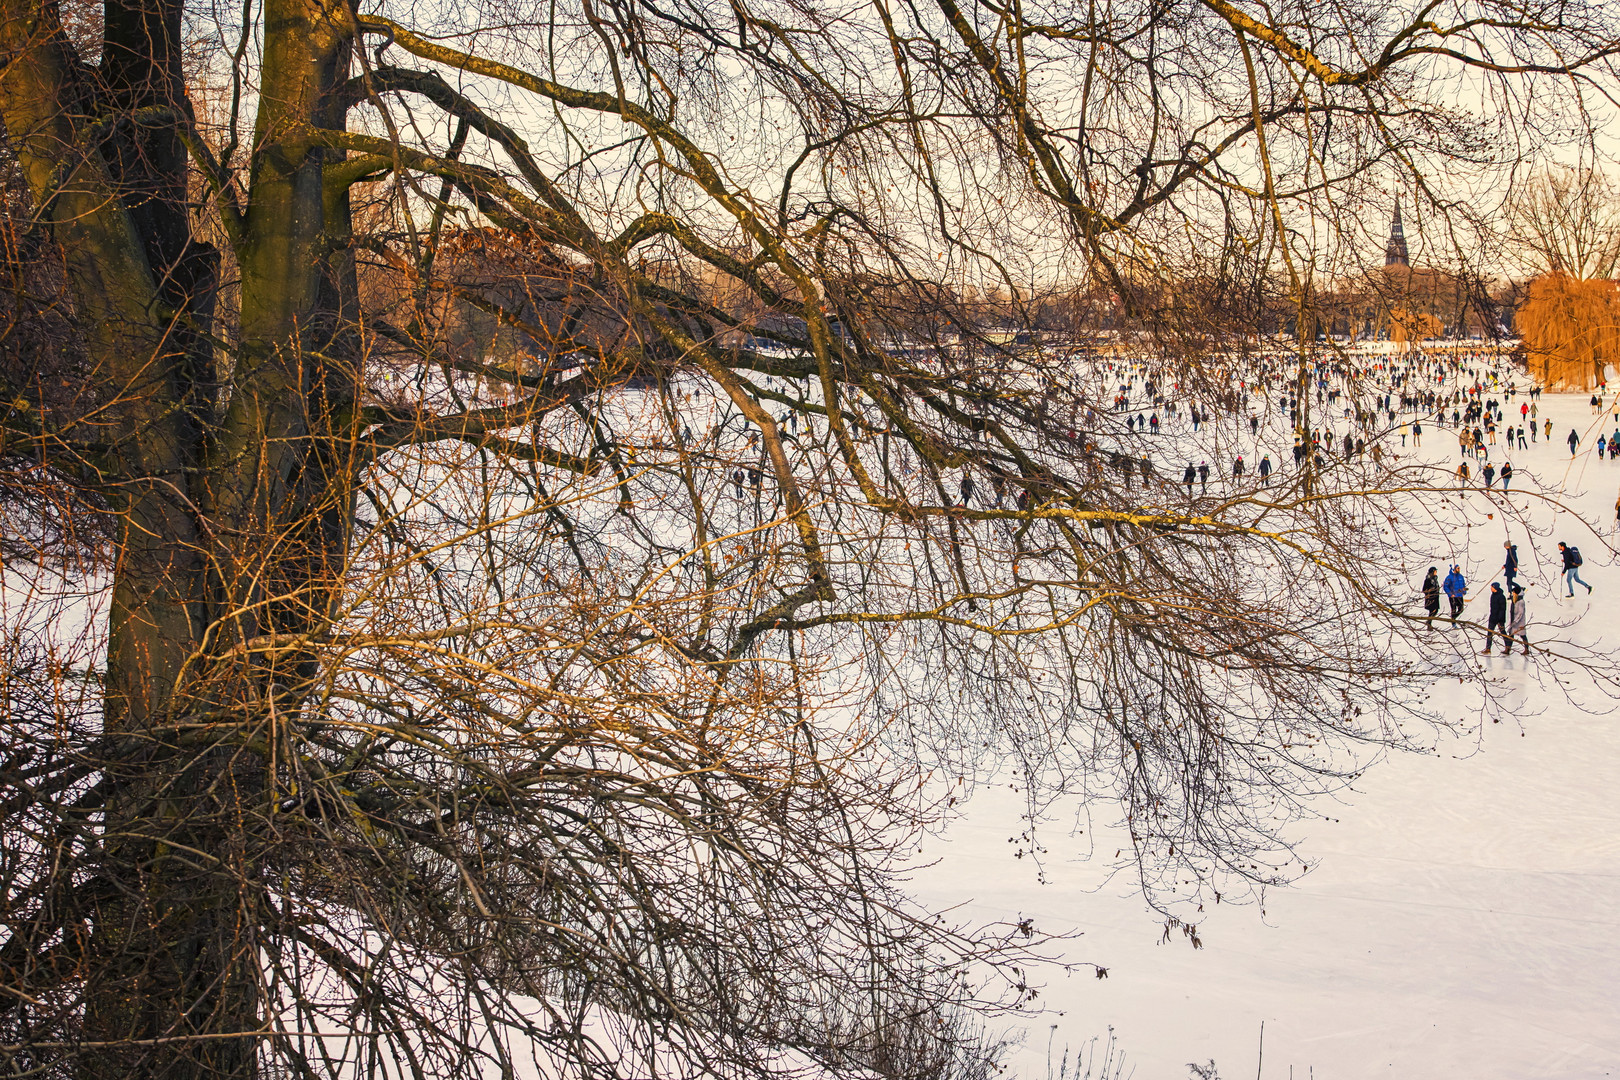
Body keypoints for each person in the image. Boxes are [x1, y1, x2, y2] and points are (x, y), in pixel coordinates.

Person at [1482, 582, 1508, 654]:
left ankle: (1508, 647)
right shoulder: (1492, 595)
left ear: (1495, 588)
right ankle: (1488, 648)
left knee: (1503, 633)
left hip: (1500, 619)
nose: (1491, 589)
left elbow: (1502, 609)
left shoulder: (1501, 597)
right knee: (1489, 633)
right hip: (1493, 617)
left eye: (1492, 587)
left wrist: (1499, 620)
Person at [1506, 584, 1529, 656]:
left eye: (1513, 593)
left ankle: (1526, 649)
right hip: (1514, 621)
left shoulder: (1521, 601)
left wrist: (1515, 621)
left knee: (1522, 635)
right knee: (1511, 635)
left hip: (1519, 623)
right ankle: (1508, 649)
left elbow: (1520, 613)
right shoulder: (1515, 599)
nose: (1512, 594)